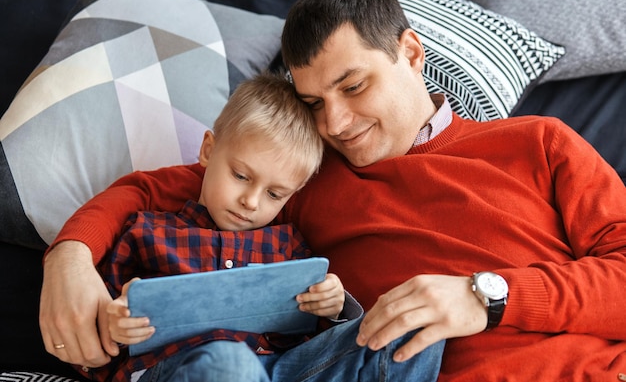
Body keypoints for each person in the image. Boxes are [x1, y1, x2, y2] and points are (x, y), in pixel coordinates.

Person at [40, 0, 626, 382]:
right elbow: (154, 188)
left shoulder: (538, 142)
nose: (337, 123)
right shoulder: (302, 178)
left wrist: (489, 298)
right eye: (315, 102)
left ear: (412, 53)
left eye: (353, 86)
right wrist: (68, 257)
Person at [49, 71, 445, 382]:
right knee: (229, 361)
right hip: (186, 370)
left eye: (275, 194)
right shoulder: (145, 232)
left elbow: (315, 338)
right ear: (208, 150)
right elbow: (90, 342)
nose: (252, 202)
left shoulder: (288, 247)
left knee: (413, 325)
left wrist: (336, 307)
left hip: (284, 370)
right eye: (240, 176)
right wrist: (114, 326)